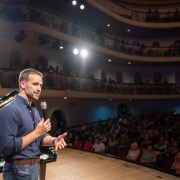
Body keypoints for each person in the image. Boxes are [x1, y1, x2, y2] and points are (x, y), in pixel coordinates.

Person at [0, 68, 67, 180]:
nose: (39, 88)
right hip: (18, 169)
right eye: (35, 84)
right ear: (23, 84)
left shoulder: (33, 110)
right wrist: (37, 132)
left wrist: (54, 140)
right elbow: (7, 147)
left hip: (34, 166)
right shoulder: (10, 110)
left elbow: (40, 138)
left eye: (40, 85)